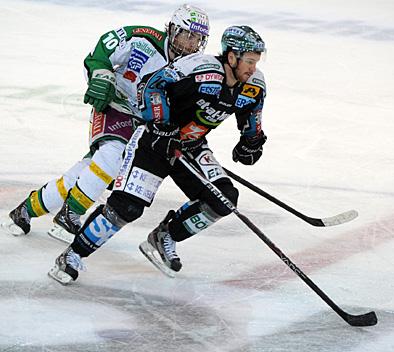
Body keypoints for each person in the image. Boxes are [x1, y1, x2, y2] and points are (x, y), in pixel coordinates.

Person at [48, 25, 268, 284]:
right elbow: (151, 85)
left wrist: (251, 142)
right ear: (232, 57)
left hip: (190, 146)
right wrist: (162, 124)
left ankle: (166, 235)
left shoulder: (253, 85)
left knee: (223, 199)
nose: (253, 68)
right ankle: (73, 254)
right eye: (249, 61)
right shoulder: (201, 69)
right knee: (126, 208)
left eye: (256, 62)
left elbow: (252, 118)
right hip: (153, 142)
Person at [1, 4, 210, 243]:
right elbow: (101, 52)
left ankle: (26, 211)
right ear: (172, 29)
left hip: (141, 124)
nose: (190, 42)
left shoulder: (194, 69)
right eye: (186, 34)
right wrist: (101, 74)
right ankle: (69, 216)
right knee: (113, 155)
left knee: (89, 171)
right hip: (114, 105)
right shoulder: (142, 38)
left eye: (197, 38)